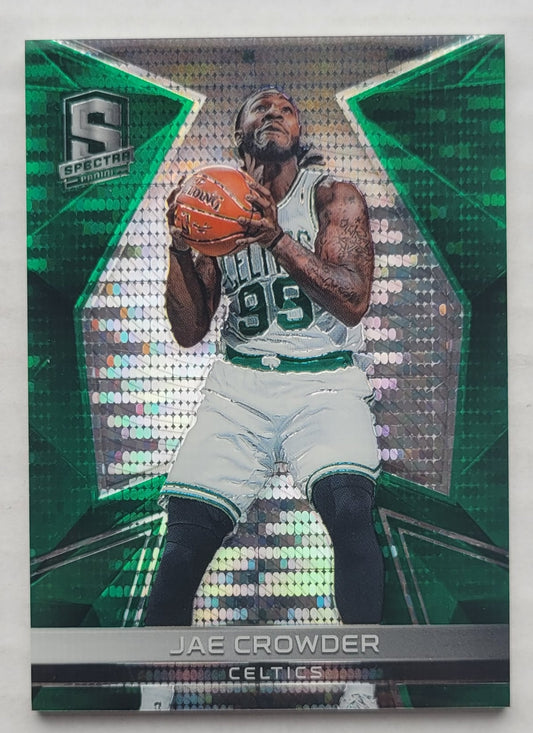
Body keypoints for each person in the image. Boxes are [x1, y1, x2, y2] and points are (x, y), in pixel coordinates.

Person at [144, 87, 384, 629]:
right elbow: (189, 330)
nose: (274, 113)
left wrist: (277, 240)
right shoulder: (214, 201)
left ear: (299, 135)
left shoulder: (331, 197)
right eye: (261, 108)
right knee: (182, 543)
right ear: (240, 132)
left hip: (325, 383)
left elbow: (353, 301)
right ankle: (153, 675)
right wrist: (181, 247)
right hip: (240, 388)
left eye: (286, 110)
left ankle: (368, 671)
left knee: (350, 512)